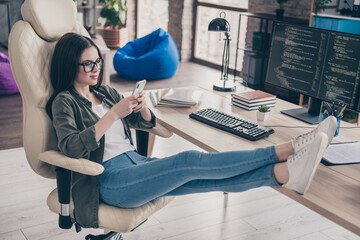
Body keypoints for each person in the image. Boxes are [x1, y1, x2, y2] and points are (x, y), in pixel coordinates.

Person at [46, 32, 338, 228]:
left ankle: (284, 174)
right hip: (108, 180)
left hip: (137, 165)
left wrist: (141, 108)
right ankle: (287, 148)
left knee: (206, 181)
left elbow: (140, 123)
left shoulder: (106, 91)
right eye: (87, 64)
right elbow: (71, 147)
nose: (95, 68)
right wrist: (112, 114)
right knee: (189, 161)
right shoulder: (64, 102)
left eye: (97, 61)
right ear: (69, 65)